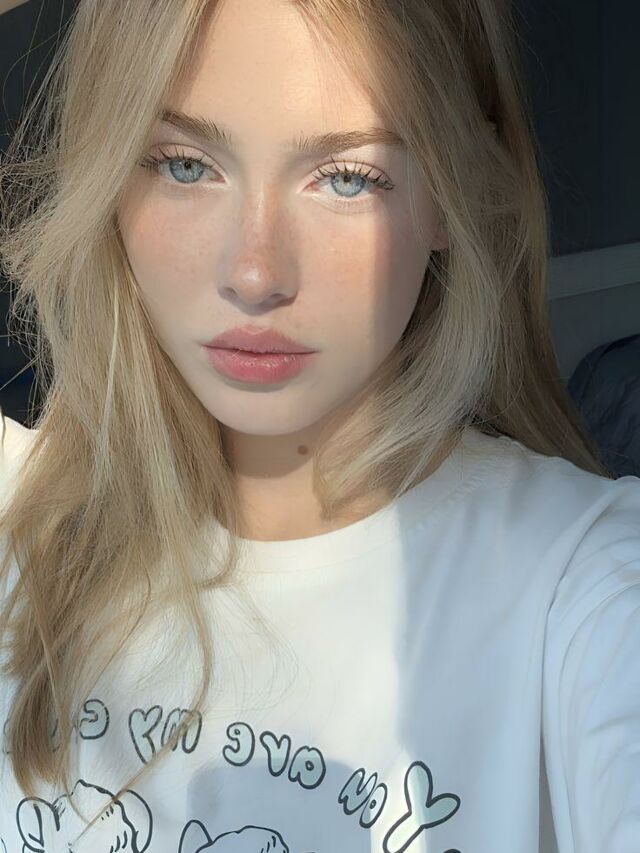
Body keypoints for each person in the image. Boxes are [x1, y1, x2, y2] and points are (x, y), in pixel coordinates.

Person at [0, 0, 638, 851]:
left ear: (454, 192)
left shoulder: (583, 584)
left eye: (347, 178)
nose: (254, 272)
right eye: (184, 164)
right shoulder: (17, 510)